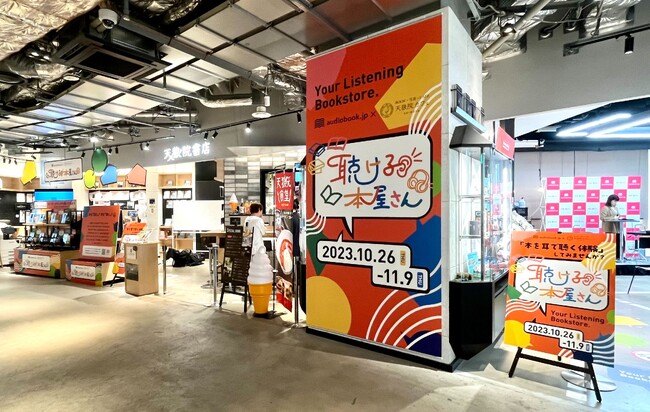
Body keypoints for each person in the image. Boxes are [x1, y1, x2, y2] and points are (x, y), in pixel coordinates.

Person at [600, 194, 620, 258]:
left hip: (617, 228)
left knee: (618, 243)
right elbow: (602, 218)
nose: (616, 203)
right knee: (610, 244)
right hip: (609, 228)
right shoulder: (605, 208)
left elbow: (618, 216)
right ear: (610, 200)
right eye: (614, 201)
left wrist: (619, 217)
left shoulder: (616, 208)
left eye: (616, 201)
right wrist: (613, 218)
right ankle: (610, 257)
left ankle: (618, 256)